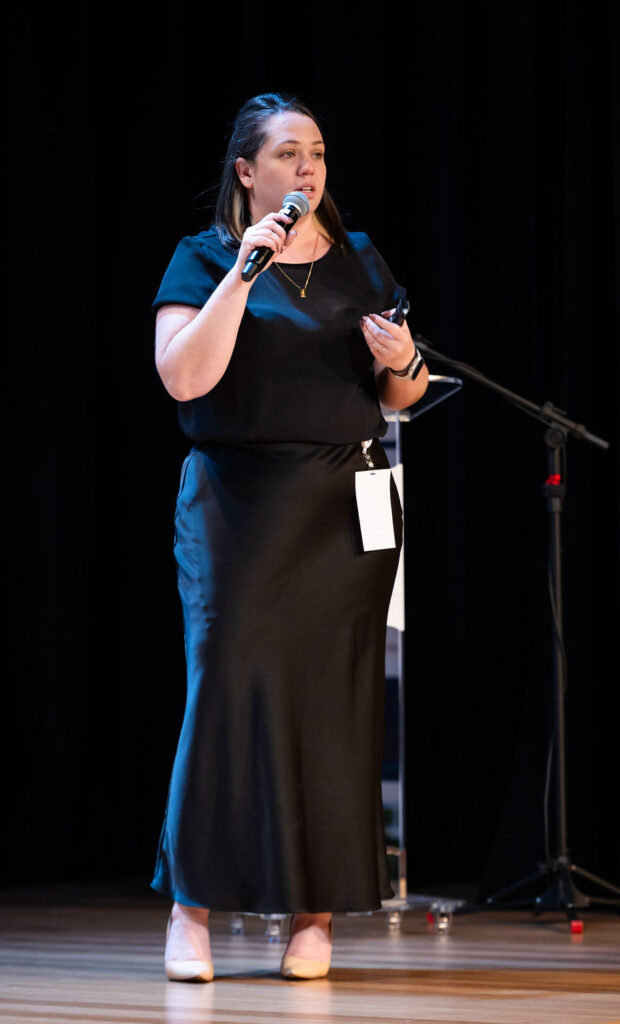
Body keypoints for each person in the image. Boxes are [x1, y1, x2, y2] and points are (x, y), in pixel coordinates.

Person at [151, 92, 429, 983]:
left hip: (343, 507)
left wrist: (403, 364)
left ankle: (315, 916)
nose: (307, 167)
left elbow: (401, 395)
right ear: (246, 171)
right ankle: (191, 909)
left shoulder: (358, 259)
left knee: (333, 708)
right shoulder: (204, 256)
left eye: (316, 152)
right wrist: (245, 270)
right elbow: (184, 379)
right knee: (225, 696)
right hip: (238, 505)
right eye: (286, 153)